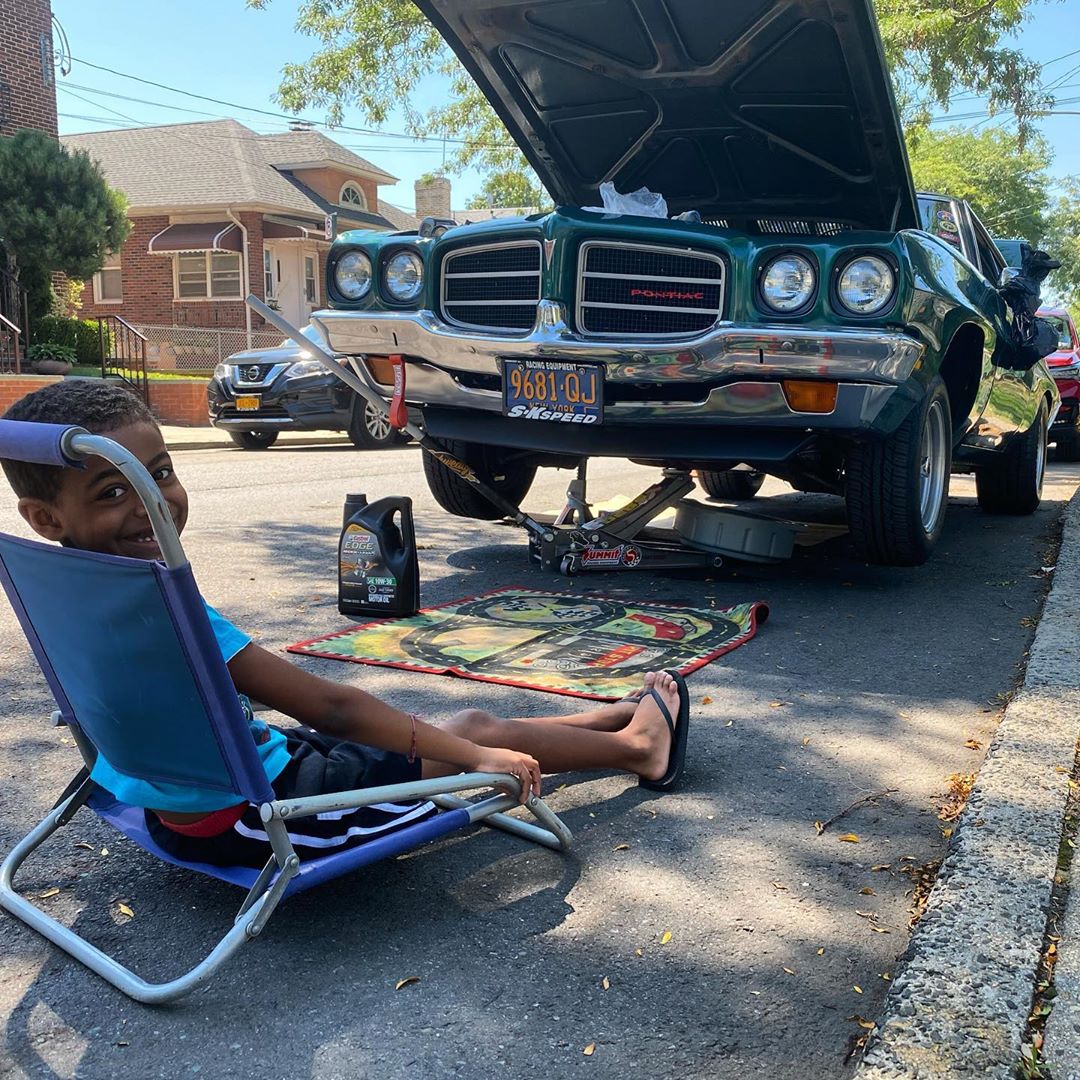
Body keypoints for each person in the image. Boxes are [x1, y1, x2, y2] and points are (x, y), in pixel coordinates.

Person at [0, 381, 691, 868]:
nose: (151, 503)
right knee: (473, 735)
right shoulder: (169, 615)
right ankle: (639, 749)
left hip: (198, 793)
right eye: (114, 491)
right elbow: (331, 708)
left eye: (160, 474)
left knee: (448, 731)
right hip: (269, 818)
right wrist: (477, 761)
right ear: (46, 518)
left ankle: (607, 719)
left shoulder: (62, 594)